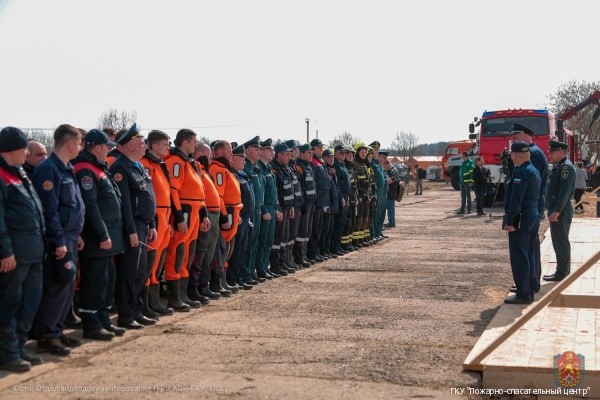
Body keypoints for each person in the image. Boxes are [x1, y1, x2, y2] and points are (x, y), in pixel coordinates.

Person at [31, 124, 85, 356]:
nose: (81, 147)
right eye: (80, 142)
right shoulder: (49, 169)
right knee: (57, 286)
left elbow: (72, 205)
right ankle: (46, 336)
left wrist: (77, 234)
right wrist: (59, 240)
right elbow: (49, 210)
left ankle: (57, 329)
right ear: (70, 143)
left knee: (67, 287)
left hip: (71, 236)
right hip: (60, 239)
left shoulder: (67, 168)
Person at [0, 127, 46, 372]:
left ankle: (18, 347)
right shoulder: (1, 175)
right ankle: (8, 353)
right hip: (14, 255)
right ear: (13, 149)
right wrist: (5, 251)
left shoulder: (19, 173)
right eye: (25, 148)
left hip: (33, 251)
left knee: (30, 301)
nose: (28, 152)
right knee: (10, 304)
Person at [72, 129, 125, 340]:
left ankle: (102, 319)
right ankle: (91, 324)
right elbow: (90, 206)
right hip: (96, 238)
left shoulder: (98, 168)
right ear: (96, 148)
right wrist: (103, 234)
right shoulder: (85, 170)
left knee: (105, 281)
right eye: (106, 147)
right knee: (94, 282)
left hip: (107, 236)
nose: (108, 151)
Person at [109, 124, 157, 329]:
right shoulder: (121, 167)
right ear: (129, 145)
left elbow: (148, 196)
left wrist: (152, 223)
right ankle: (126, 315)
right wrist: (131, 231)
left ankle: (136, 309)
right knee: (129, 272)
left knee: (140, 272)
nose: (145, 146)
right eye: (141, 142)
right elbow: (125, 204)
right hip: (133, 226)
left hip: (144, 225)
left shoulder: (138, 166)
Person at [164, 129, 210, 309]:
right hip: (185, 212)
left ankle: (183, 294)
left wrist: (204, 214)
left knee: (188, 252)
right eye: (193, 142)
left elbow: (202, 191)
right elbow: (173, 190)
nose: (195, 145)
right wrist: (178, 216)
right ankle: (174, 297)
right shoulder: (176, 162)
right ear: (184, 143)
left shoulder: (192, 163)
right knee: (177, 251)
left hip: (196, 212)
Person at [139, 130, 176, 316]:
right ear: (153, 146)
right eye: (165, 144)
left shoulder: (161, 165)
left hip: (164, 215)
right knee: (149, 260)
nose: (168, 148)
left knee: (158, 260)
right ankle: (144, 303)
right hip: (154, 216)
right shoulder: (145, 164)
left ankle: (153, 301)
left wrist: (169, 220)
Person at [510, 122, 548, 294]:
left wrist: (511, 217)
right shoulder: (535, 153)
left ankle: (528, 284)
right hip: (533, 204)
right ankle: (530, 282)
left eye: (516, 138)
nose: (513, 142)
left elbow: (525, 188)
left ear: (526, 136)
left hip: (529, 206)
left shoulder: (532, 155)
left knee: (525, 249)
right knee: (530, 248)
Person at [502, 141, 540, 304]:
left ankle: (524, 293)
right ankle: (529, 285)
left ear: (515, 155)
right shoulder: (532, 170)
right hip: (532, 215)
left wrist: (510, 220)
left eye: (511, 154)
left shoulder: (521, 173)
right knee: (529, 253)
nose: (510, 157)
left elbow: (516, 200)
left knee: (519, 255)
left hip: (522, 218)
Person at [543, 140, 576, 282]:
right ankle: (562, 270)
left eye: (552, 152)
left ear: (561, 152)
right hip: (558, 208)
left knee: (560, 241)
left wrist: (557, 211)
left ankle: (562, 272)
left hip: (560, 209)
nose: (549, 154)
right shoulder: (561, 166)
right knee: (558, 241)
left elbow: (564, 192)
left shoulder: (566, 168)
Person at [227, 144, 255, 289]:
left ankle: (239, 278)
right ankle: (232, 280)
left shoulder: (242, 174)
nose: (244, 161)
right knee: (235, 252)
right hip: (237, 218)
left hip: (245, 218)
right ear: (232, 158)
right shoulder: (231, 174)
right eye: (241, 158)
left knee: (242, 251)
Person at [256, 138, 283, 278]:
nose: (273, 152)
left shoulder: (268, 168)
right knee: (262, 241)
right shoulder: (259, 168)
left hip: (272, 207)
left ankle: (265, 267)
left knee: (269, 241)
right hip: (265, 208)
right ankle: (260, 268)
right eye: (269, 149)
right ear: (262, 152)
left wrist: (277, 208)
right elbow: (260, 192)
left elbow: (274, 192)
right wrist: (265, 210)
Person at [270, 143, 296, 275]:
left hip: (287, 207)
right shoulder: (274, 169)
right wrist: (278, 209)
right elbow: (276, 192)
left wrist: (291, 207)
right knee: (278, 237)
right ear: (279, 155)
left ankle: (283, 261)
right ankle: (275, 264)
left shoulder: (287, 168)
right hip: (280, 208)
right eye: (286, 154)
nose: (288, 156)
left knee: (285, 236)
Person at [294, 143, 317, 265]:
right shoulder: (299, 167)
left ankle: (304, 254)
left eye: (311, 152)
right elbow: (299, 186)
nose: (311, 154)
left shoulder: (309, 166)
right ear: (301, 154)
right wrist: (302, 203)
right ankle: (299, 257)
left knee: (308, 230)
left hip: (311, 202)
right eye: (308, 152)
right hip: (304, 204)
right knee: (302, 231)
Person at [384, 160, 400, 227]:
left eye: (384, 166)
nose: (384, 168)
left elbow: (390, 181)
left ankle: (391, 222)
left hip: (390, 192)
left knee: (390, 208)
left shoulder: (391, 172)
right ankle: (391, 221)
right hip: (393, 192)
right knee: (391, 208)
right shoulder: (395, 170)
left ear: (387, 164)